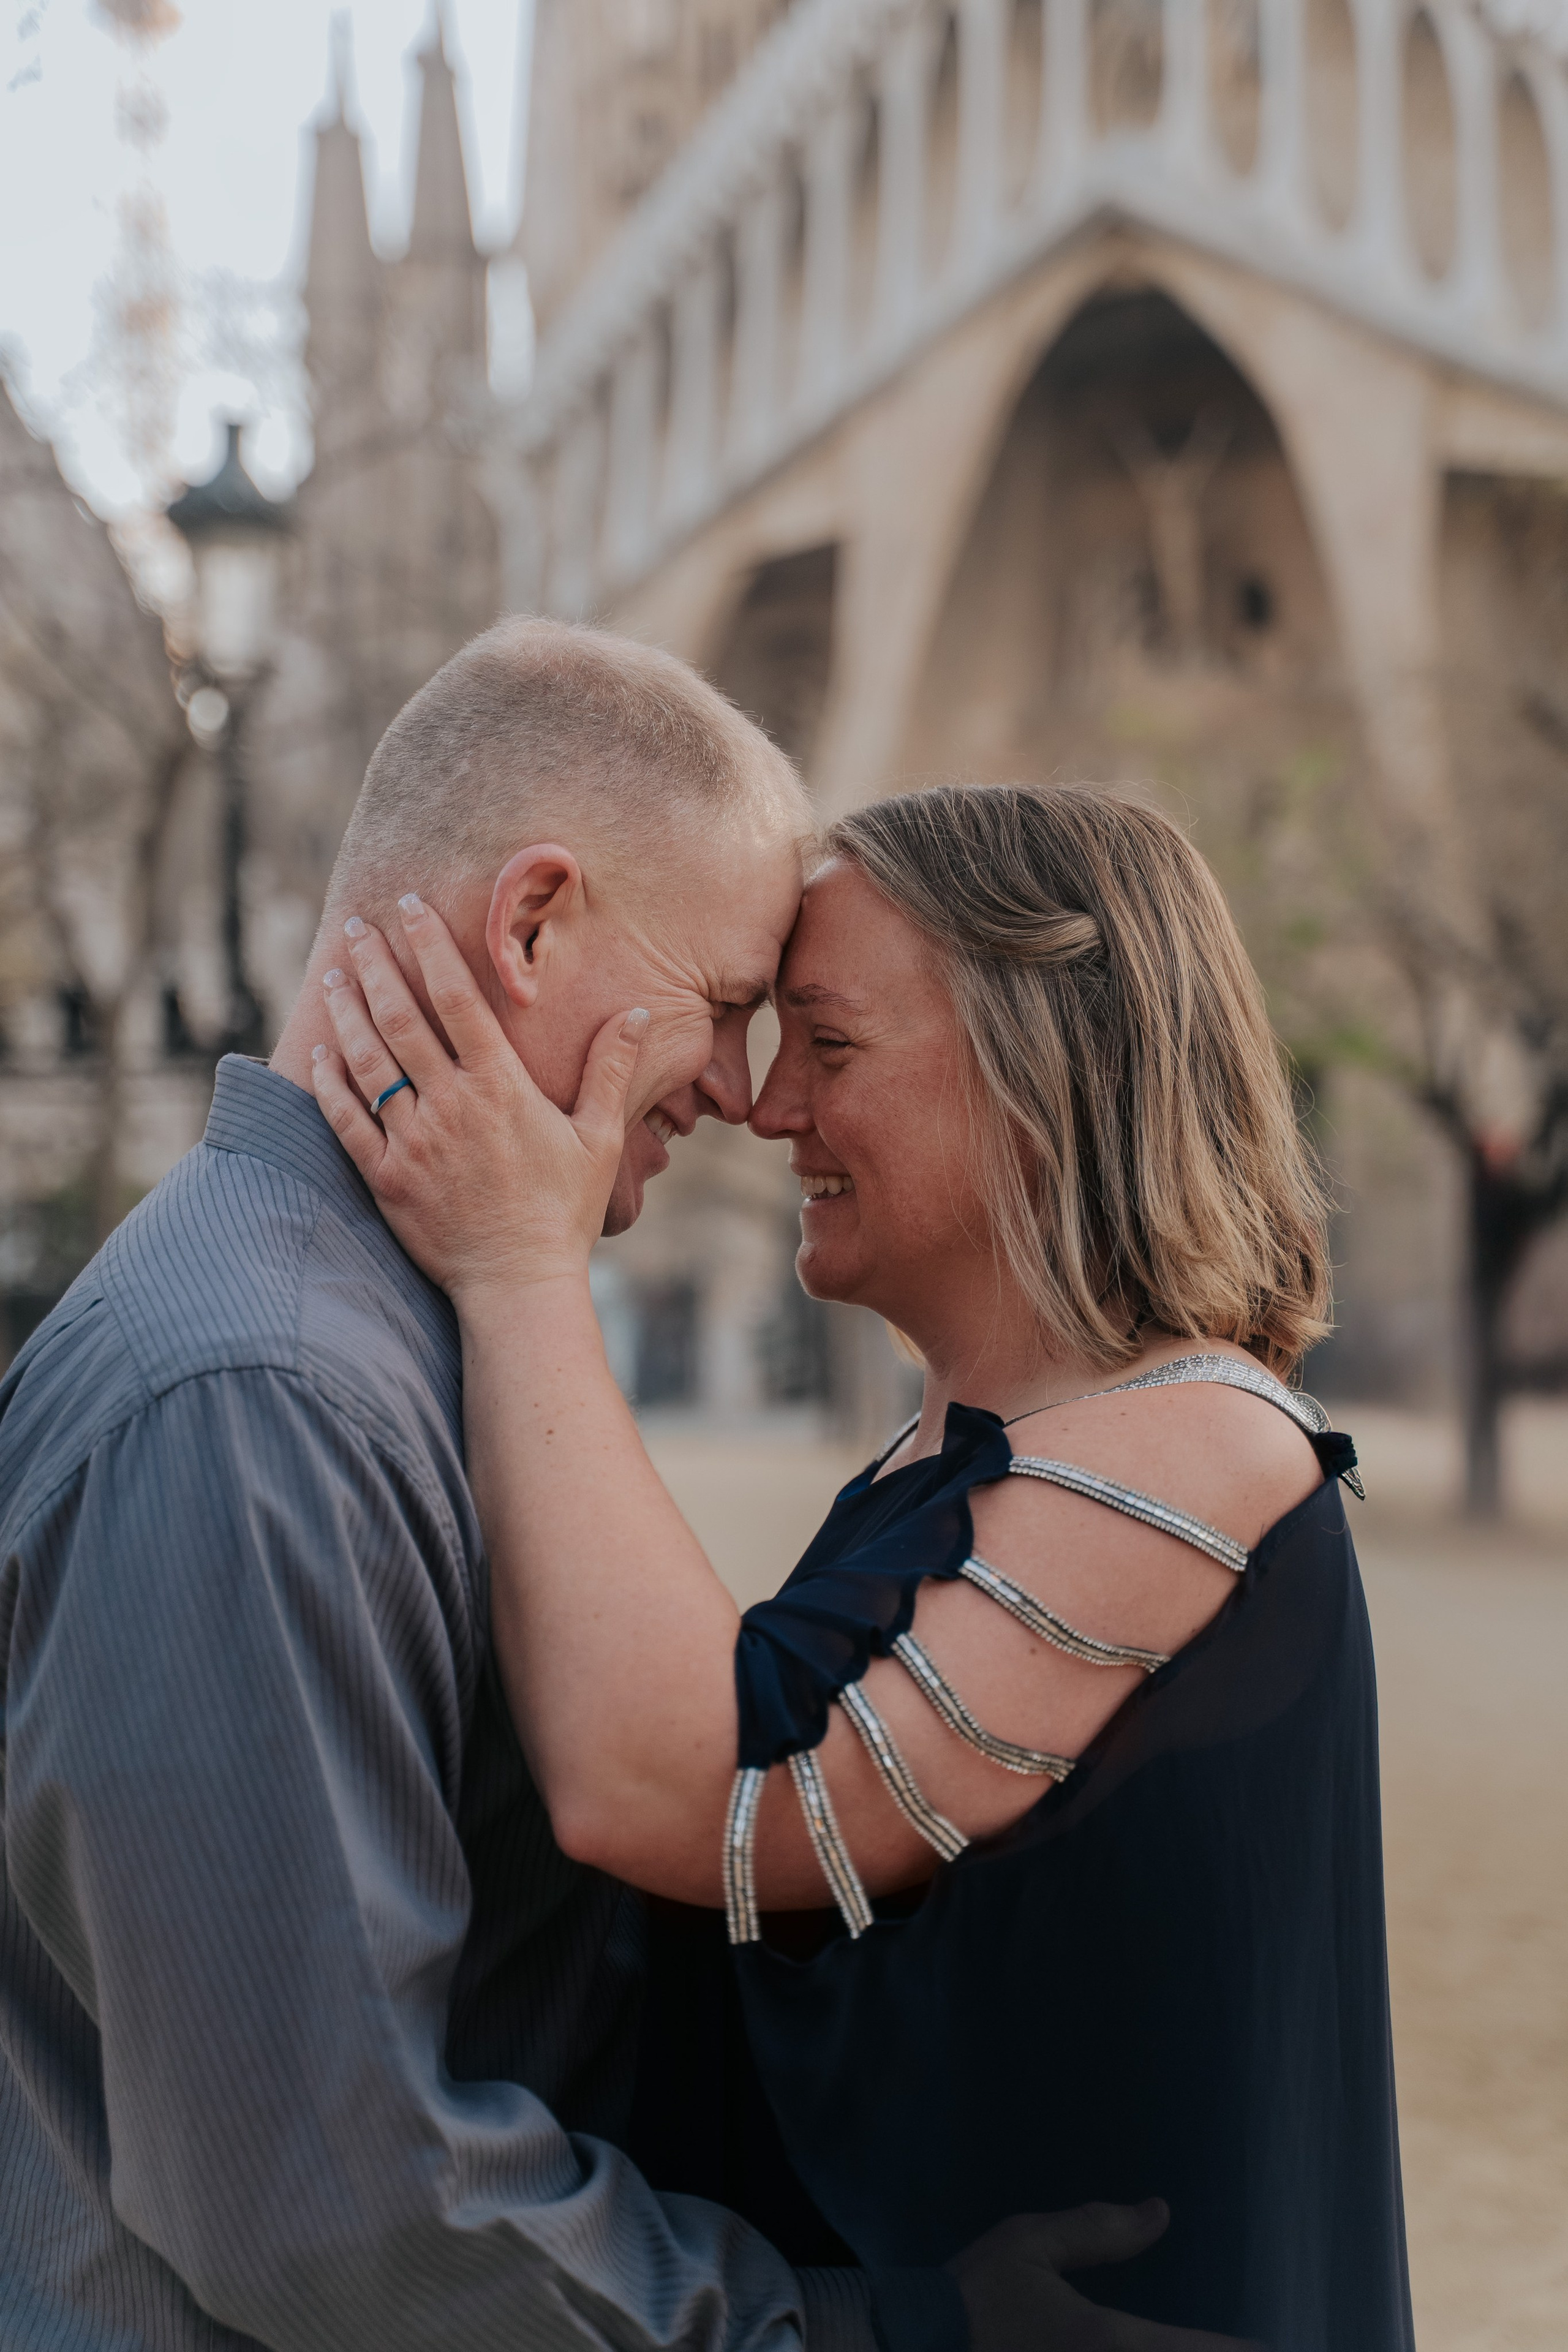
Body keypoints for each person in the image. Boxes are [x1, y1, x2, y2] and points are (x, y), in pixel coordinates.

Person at [0, 624, 1227, 2352]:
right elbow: (329, 2201)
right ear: (531, 926)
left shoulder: (391, 1345)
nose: (739, 1091)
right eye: (724, 1006)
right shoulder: (261, 1398)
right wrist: (866, 2332)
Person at [312, 779, 1415, 2352]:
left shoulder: (1203, 1444)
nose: (767, 1109)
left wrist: (516, 1260)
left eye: (827, 1046)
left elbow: (670, 1793)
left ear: (1046, 1074)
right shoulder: (945, 1453)